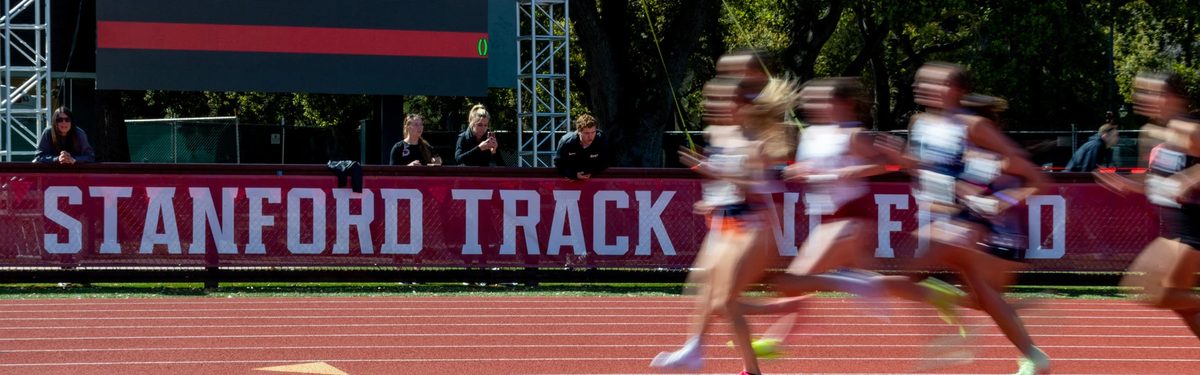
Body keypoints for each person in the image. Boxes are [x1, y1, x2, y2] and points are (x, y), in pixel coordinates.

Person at [901, 62, 1051, 374]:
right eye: (921, 82)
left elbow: (1036, 178)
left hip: (992, 229)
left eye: (934, 82)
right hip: (954, 221)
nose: (923, 88)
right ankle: (1034, 357)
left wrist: (1000, 200)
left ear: (957, 91)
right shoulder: (919, 124)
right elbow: (926, 171)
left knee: (908, 267)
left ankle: (946, 313)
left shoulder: (974, 127)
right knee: (985, 299)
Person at [652, 50, 792, 375]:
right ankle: (700, 351)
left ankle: (777, 318)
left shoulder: (758, 137)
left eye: (722, 101)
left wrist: (717, 173)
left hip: (752, 225)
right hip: (727, 221)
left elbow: (754, 185)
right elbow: (728, 182)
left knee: (724, 301)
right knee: (702, 289)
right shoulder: (720, 134)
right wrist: (712, 197)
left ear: (740, 104)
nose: (713, 108)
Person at [1094, 71, 1200, 339]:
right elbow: (1153, 179)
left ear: (1173, 97)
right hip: (1174, 226)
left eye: (1152, 92)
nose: (1143, 98)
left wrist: (1190, 177)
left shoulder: (1189, 129)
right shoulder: (1150, 134)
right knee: (1174, 301)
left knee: (1155, 291)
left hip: (1195, 225)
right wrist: (1128, 184)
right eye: (1141, 91)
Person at [553, 114, 609, 180]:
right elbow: (559, 163)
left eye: (593, 132)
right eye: (586, 133)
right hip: (570, 182)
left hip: (594, 179)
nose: (590, 137)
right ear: (579, 131)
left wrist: (592, 172)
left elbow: (605, 162)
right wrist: (573, 174)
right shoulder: (566, 141)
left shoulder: (601, 139)